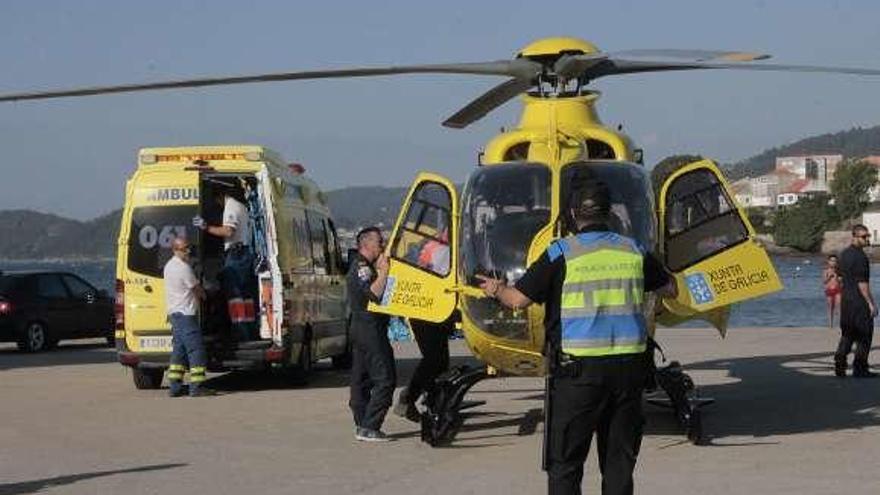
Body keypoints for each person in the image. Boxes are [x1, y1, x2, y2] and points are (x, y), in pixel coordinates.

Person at [477, 179, 676, 495]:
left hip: (578, 375)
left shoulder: (560, 253)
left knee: (566, 464)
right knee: (619, 464)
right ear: (609, 212)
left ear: (572, 214)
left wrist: (496, 289)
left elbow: (517, 300)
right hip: (628, 372)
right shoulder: (634, 250)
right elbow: (670, 288)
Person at [394, 230, 454, 422]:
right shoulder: (443, 251)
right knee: (434, 359)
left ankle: (432, 399)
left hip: (426, 309)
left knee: (440, 360)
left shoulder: (431, 246)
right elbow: (447, 279)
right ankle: (409, 398)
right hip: (427, 310)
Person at [347, 227, 396, 442]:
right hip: (369, 326)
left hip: (360, 326)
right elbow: (373, 294)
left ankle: (362, 423)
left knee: (361, 378)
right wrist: (384, 272)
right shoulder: (362, 267)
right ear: (366, 244)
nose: (382, 246)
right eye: (379, 242)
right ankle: (370, 425)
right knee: (385, 378)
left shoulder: (363, 265)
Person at [194, 180, 257, 341]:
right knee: (245, 297)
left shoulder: (231, 206)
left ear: (220, 197)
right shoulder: (242, 206)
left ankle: (240, 333)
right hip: (245, 253)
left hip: (236, 254)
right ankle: (249, 332)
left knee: (234, 295)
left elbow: (228, 231)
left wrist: (206, 227)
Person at [163, 237, 213, 397]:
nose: (188, 251)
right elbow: (197, 289)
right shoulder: (183, 268)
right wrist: (206, 296)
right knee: (196, 350)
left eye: (188, 248)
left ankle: (175, 387)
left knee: (179, 351)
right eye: (185, 249)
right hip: (186, 315)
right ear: (175, 250)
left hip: (175, 314)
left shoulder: (169, 266)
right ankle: (196, 386)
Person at [835, 225, 877, 378]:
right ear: (854, 236)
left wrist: (843, 295)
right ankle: (860, 368)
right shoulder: (860, 257)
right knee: (865, 335)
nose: (867, 239)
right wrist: (871, 304)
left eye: (868, 236)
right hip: (859, 301)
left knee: (848, 333)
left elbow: (839, 278)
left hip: (847, 300)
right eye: (864, 236)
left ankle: (840, 359)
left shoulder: (844, 254)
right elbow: (862, 284)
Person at [823, 254, 842, 330]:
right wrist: (829, 277)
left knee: (839, 306)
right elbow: (824, 281)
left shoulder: (839, 271)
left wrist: (837, 277)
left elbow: (841, 281)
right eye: (831, 261)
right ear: (828, 262)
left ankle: (840, 324)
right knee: (830, 307)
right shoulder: (826, 271)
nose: (833, 262)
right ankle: (830, 325)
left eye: (835, 261)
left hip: (838, 289)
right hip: (829, 290)